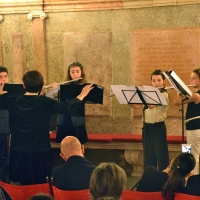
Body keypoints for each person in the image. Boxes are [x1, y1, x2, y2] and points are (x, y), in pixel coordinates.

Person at [0, 70, 93, 185]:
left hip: (18, 152)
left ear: (23, 85)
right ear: (42, 86)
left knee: (20, 187)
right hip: (41, 151)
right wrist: (82, 95)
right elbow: (67, 107)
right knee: (40, 185)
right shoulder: (46, 102)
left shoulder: (12, 101)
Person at [130, 69, 169, 171]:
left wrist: (141, 96)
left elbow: (151, 105)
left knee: (161, 156)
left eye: (159, 80)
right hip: (147, 128)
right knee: (148, 156)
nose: (156, 83)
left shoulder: (164, 94)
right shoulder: (148, 95)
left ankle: (163, 179)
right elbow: (136, 106)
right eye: (154, 80)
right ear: (151, 82)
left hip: (158, 128)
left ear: (163, 81)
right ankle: (149, 178)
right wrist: (126, 99)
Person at [51, 62, 88, 144]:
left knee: (78, 141)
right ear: (69, 73)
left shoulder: (84, 86)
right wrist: (55, 89)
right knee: (64, 141)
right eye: (72, 72)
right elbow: (55, 98)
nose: (75, 74)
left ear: (81, 72)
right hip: (64, 115)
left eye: (77, 71)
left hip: (77, 115)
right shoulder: (64, 86)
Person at [174, 68, 200, 175]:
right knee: (192, 154)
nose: (191, 81)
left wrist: (177, 90)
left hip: (194, 129)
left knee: (193, 157)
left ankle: (193, 181)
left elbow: (177, 102)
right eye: (191, 78)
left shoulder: (197, 95)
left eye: (194, 78)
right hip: (192, 129)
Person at [0, 66, 9, 183]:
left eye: (5, 76)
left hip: (6, 127)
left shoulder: (10, 91)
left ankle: (4, 182)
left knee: (4, 156)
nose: (3, 79)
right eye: (0, 77)